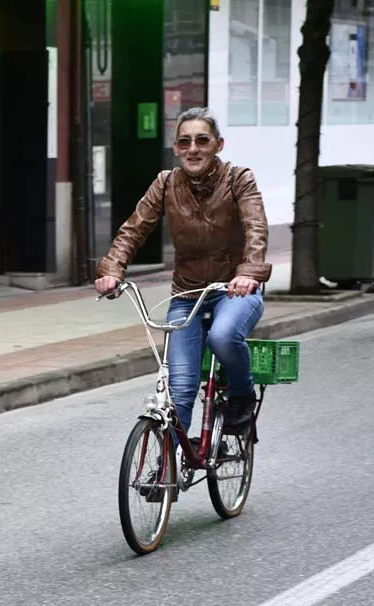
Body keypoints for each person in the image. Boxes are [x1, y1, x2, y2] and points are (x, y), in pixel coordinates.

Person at [94, 106, 271, 439]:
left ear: (218, 145)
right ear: (175, 148)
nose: (193, 149)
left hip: (235, 291)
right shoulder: (165, 184)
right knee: (181, 388)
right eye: (185, 141)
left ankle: (242, 395)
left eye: (202, 140)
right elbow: (133, 230)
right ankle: (166, 473)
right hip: (188, 294)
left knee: (222, 336)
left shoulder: (239, 178)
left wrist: (248, 272)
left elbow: (256, 228)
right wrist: (113, 270)